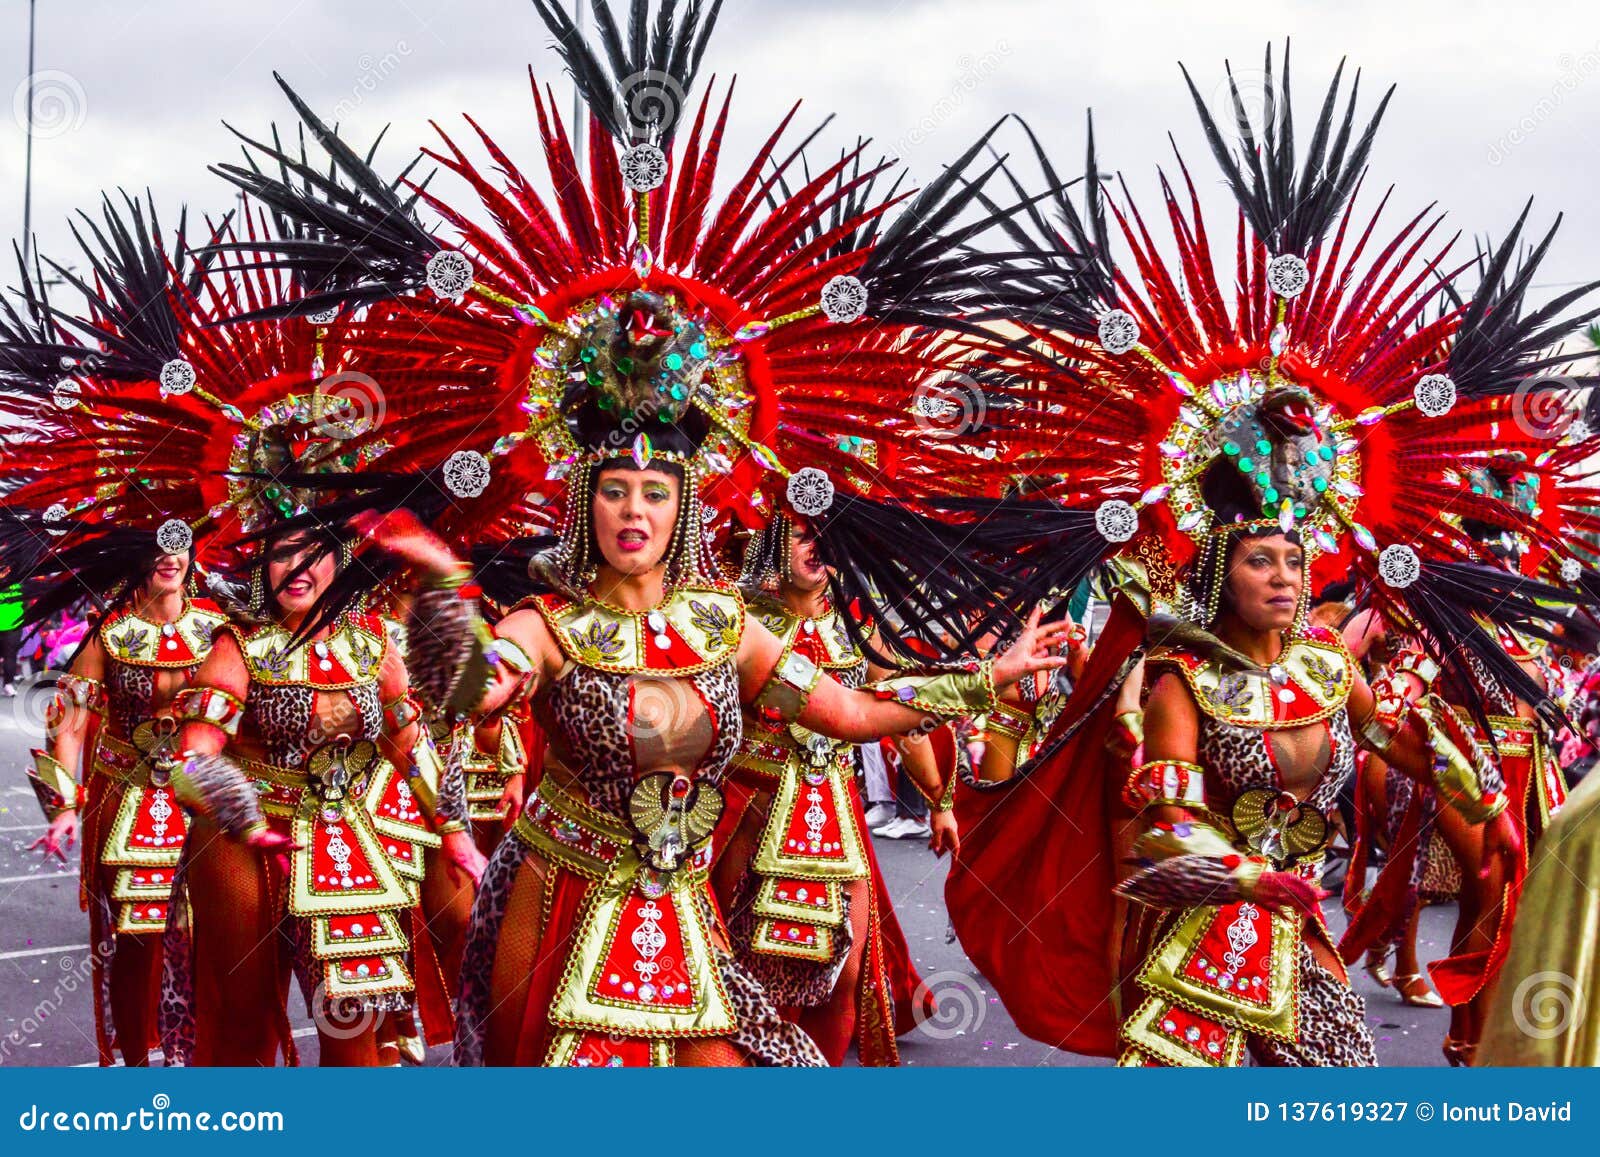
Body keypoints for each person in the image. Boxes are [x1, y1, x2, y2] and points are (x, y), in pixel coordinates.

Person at [939, 44, 1597, 1063]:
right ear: (1220, 568)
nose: (1285, 577)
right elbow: (1159, 823)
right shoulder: (1179, 678)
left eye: (1296, 559)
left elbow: (1403, 745)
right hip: (1198, 945)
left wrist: (1487, 814)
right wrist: (1249, 876)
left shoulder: (1330, 669)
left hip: (1301, 937)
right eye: (1261, 561)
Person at [20, 534, 225, 1066]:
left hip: (200, 800)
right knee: (135, 937)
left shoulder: (220, 627)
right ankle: (137, 1062)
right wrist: (63, 804)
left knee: (208, 934)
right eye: (156, 545)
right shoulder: (108, 634)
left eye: (179, 543)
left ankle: (197, 1057)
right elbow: (69, 721)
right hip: (127, 797)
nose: (169, 555)